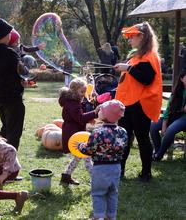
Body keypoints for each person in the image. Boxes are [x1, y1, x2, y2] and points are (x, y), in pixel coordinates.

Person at [114, 21, 162, 182]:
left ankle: (146, 173)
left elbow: (147, 79)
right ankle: (120, 171)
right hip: (127, 103)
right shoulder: (137, 56)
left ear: (141, 37)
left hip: (139, 104)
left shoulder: (149, 56)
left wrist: (127, 68)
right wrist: (125, 68)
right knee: (124, 138)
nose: (129, 41)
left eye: (132, 37)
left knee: (142, 138)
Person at [78, 100, 127, 220]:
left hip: (100, 168)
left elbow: (88, 150)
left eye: (101, 109)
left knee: (98, 193)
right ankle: (111, 216)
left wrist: (80, 146)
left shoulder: (97, 132)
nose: (98, 110)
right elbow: (123, 148)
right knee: (112, 193)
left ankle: (98, 216)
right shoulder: (123, 132)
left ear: (105, 115)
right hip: (116, 167)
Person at [0, 19, 25, 150]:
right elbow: (22, 71)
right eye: (9, 32)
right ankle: (10, 165)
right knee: (13, 133)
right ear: (3, 35)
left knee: (6, 128)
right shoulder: (10, 53)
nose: (10, 34)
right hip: (12, 99)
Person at [59, 77, 100, 185]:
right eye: (82, 91)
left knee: (78, 156)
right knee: (87, 157)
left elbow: (79, 116)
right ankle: (96, 181)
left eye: (84, 91)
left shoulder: (74, 101)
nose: (83, 94)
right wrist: (94, 113)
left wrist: (89, 117)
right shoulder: (72, 103)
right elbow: (80, 118)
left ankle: (66, 176)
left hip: (75, 132)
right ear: (74, 90)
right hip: (73, 134)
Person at [150, 70, 186, 161]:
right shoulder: (177, 91)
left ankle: (159, 155)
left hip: (184, 118)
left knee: (171, 129)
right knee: (153, 126)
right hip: (173, 116)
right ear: (182, 79)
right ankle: (158, 150)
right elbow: (168, 109)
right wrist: (163, 126)